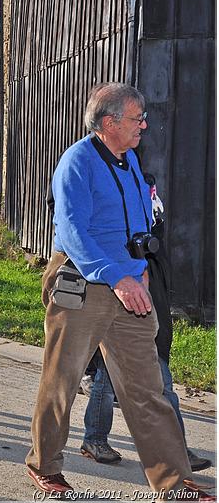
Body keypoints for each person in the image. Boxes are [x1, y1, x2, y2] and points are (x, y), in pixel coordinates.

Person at [24, 83, 211, 500]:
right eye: (136, 118)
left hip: (129, 283)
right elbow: (73, 232)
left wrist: (139, 271)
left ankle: (173, 481)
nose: (144, 124)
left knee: (148, 388)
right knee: (63, 379)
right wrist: (118, 276)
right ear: (110, 123)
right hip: (84, 282)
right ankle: (45, 466)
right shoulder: (77, 162)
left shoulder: (129, 162)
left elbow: (138, 224)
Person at [77, 178, 212, 472]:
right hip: (117, 293)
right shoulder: (104, 204)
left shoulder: (147, 200)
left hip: (149, 294)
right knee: (113, 376)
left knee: (149, 378)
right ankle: (97, 439)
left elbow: (154, 249)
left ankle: (168, 449)